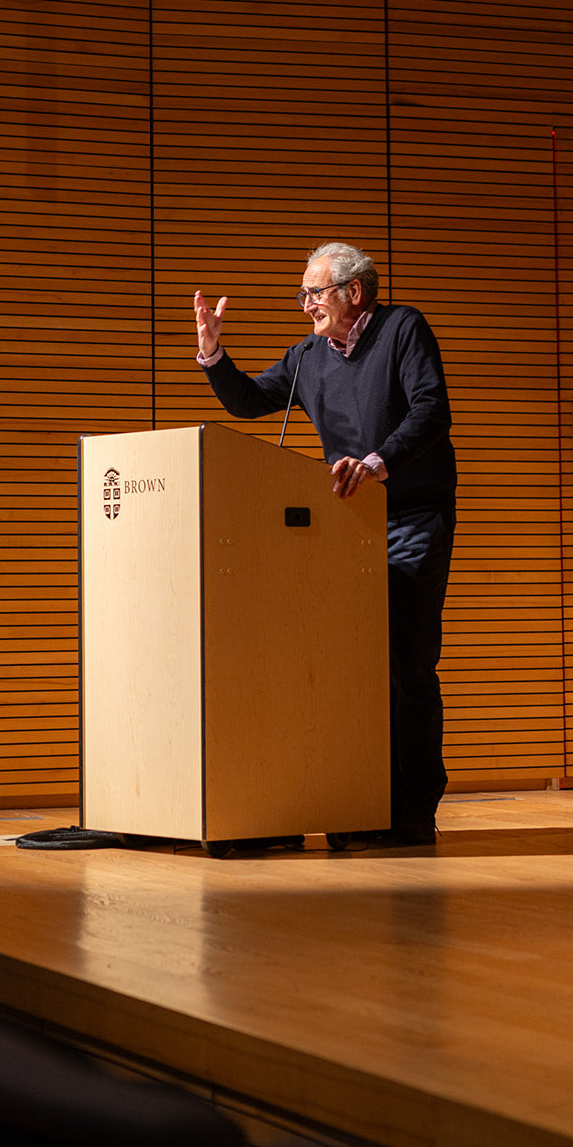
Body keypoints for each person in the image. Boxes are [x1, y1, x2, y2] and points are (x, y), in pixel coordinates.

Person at [194, 241, 456, 847]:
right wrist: (212, 351)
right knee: (343, 664)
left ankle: (412, 810)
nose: (306, 304)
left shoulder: (402, 329)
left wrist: (377, 462)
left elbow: (431, 410)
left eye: (314, 292)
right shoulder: (310, 356)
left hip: (411, 516)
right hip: (346, 522)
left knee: (404, 662)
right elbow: (250, 401)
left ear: (353, 292)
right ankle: (354, 796)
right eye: (304, 293)